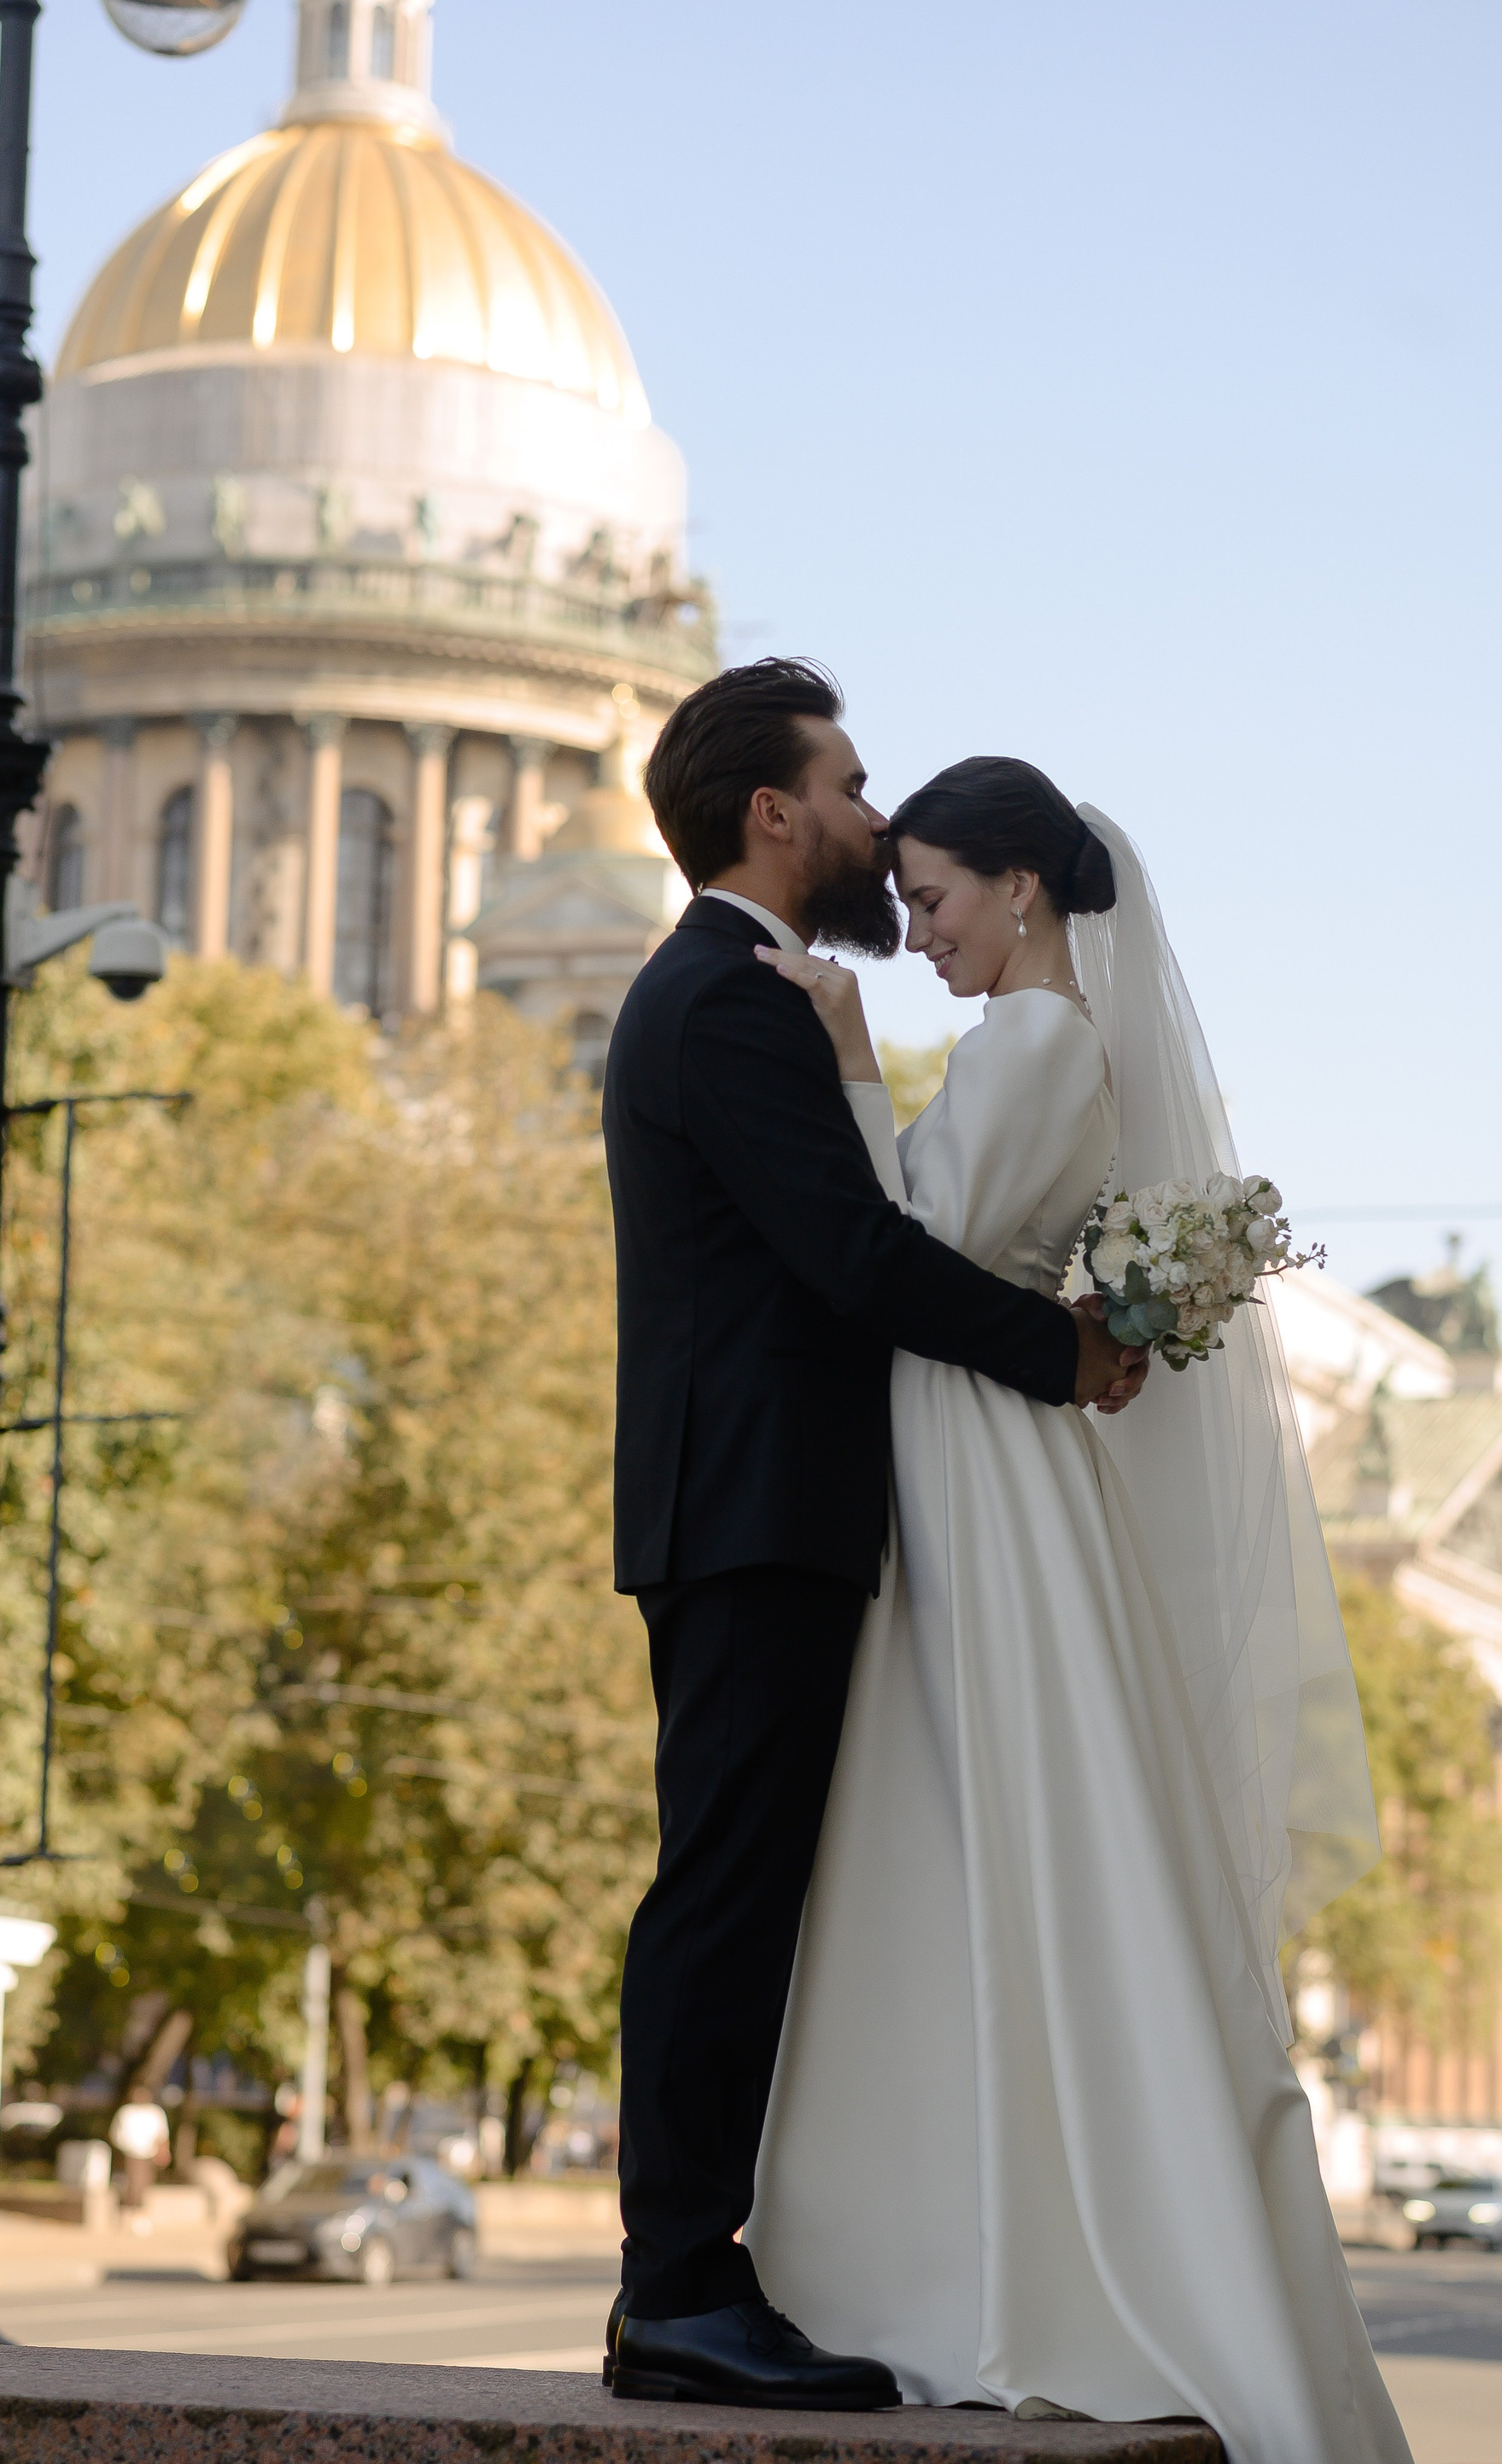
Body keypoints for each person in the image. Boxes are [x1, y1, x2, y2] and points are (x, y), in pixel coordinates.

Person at [746, 758, 1411, 2464]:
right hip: (999, 1440)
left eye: (933, 899)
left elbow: (914, 1240)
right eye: (906, 904)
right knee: (1008, 1824)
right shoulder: (1055, 1043)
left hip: (974, 1448)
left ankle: (994, 2261)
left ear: (1022, 886)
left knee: (980, 1813)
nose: (916, 933)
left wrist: (845, 1063)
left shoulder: (1030, 1042)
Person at [600, 664, 1148, 2409]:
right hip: (753, 1507)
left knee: (746, 1887)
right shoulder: (730, 996)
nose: (872, 811)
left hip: (763, 1503)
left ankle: (704, 2274)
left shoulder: (739, 988)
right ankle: (677, 2288)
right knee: (723, 1893)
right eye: (846, 784)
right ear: (773, 813)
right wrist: (1061, 1354)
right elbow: (859, 1255)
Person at [109, 2082, 170, 2214]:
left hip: (150, 2153)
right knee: (133, 2181)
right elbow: (116, 2134)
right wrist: (126, 2147)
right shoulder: (126, 2112)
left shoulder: (155, 2112)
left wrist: (163, 2151)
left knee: (145, 2182)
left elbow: (162, 2135)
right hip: (132, 2153)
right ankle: (130, 2208)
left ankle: (138, 2209)